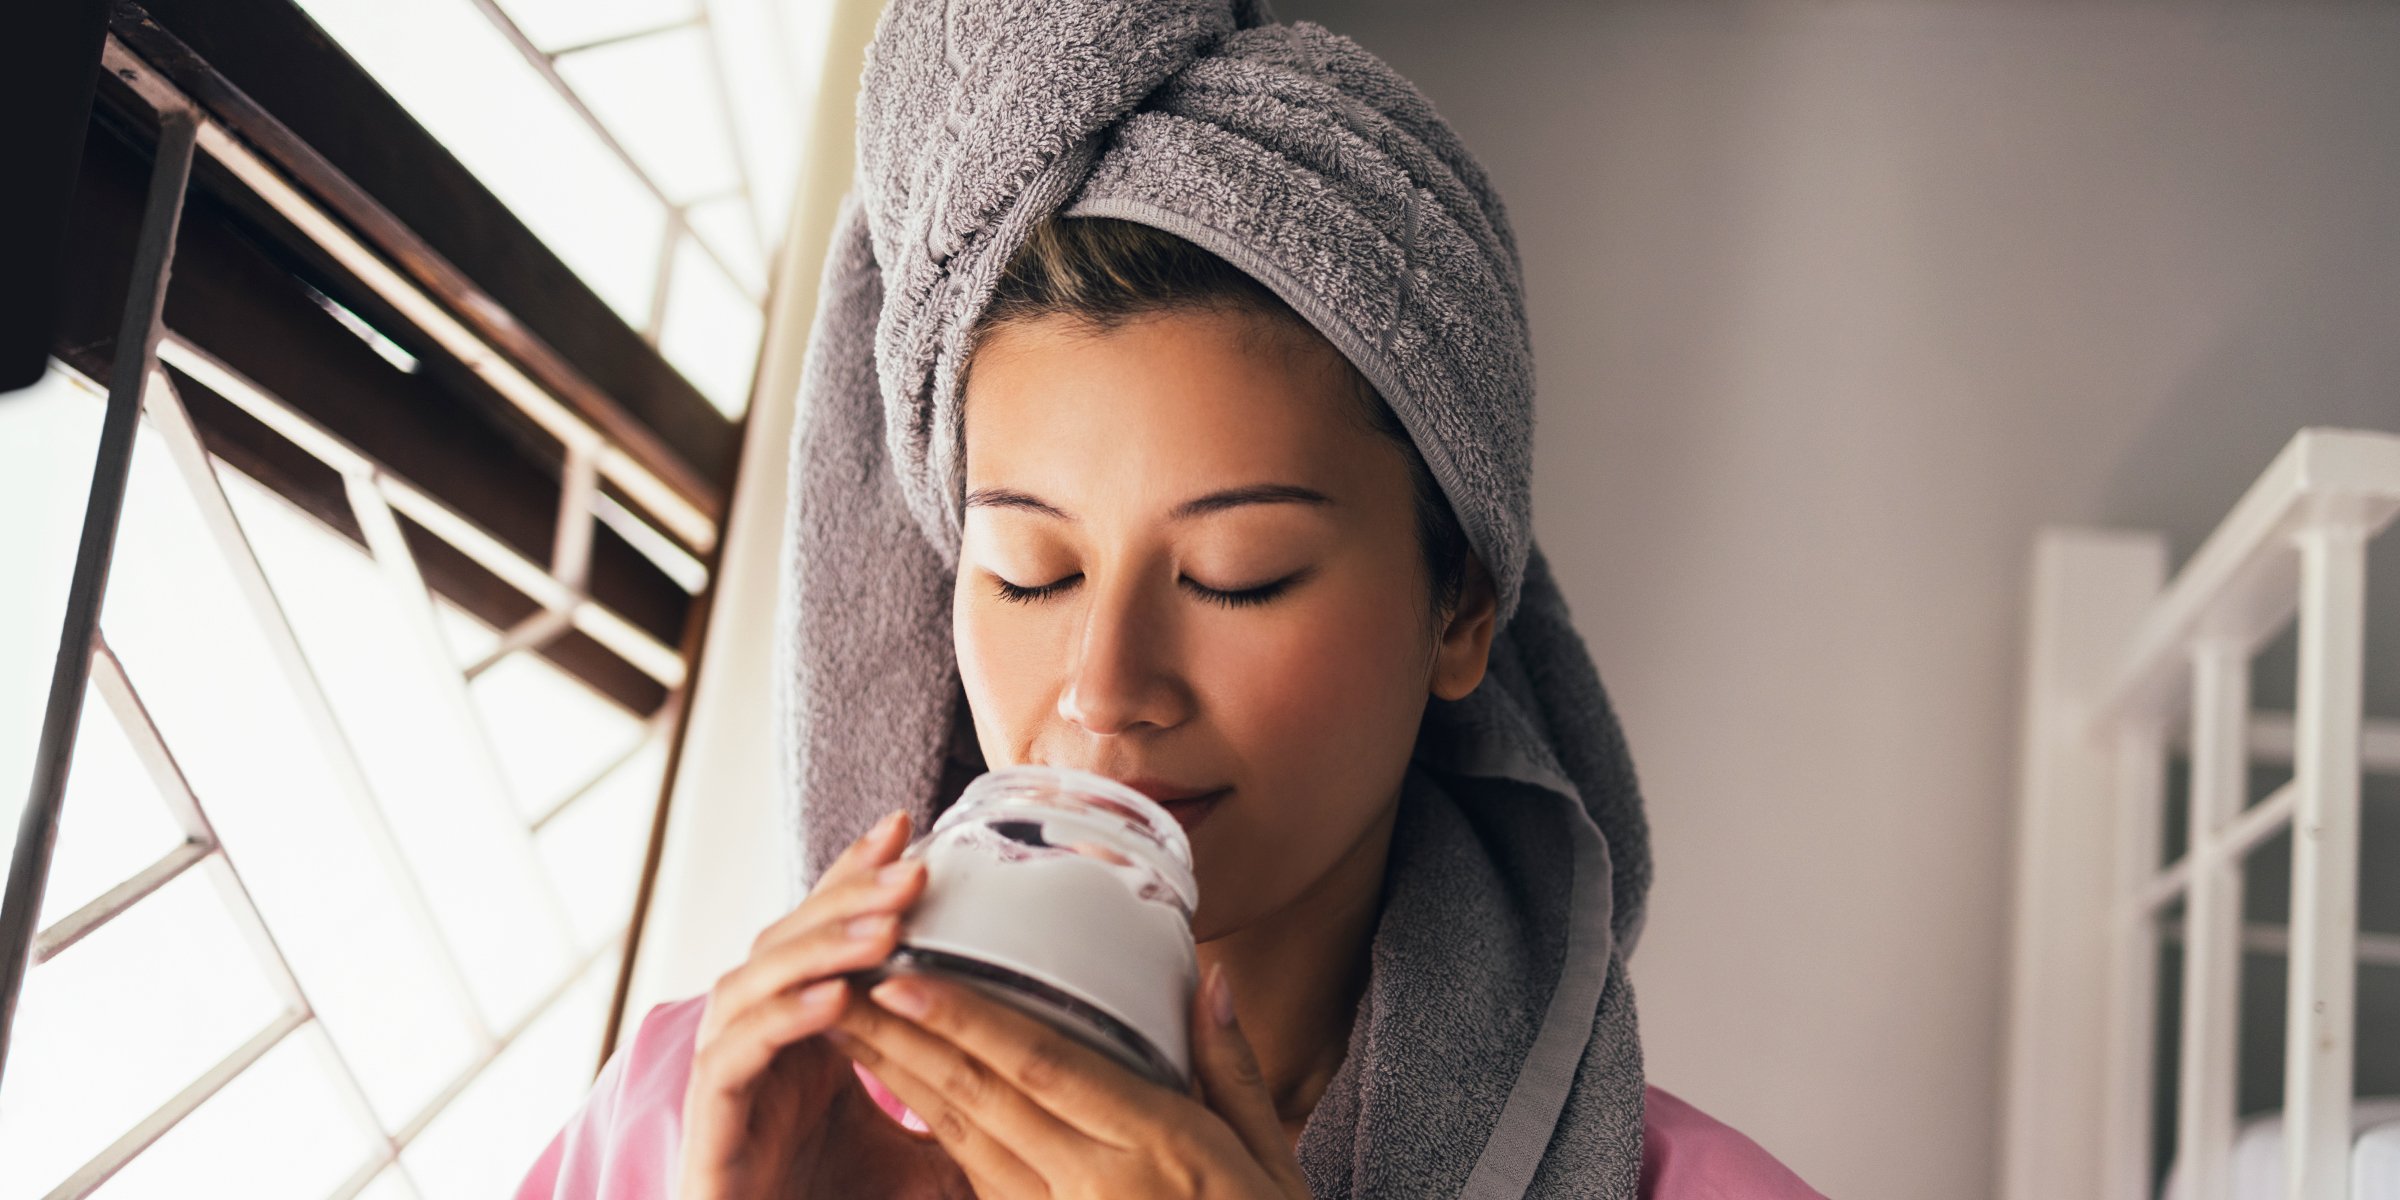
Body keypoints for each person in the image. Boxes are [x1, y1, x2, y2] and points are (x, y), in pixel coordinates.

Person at [521, 3, 1825, 1197]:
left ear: (1464, 610)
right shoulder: (692, 1123)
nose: (1104, 685)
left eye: (1235, 576)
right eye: (1033, 573)